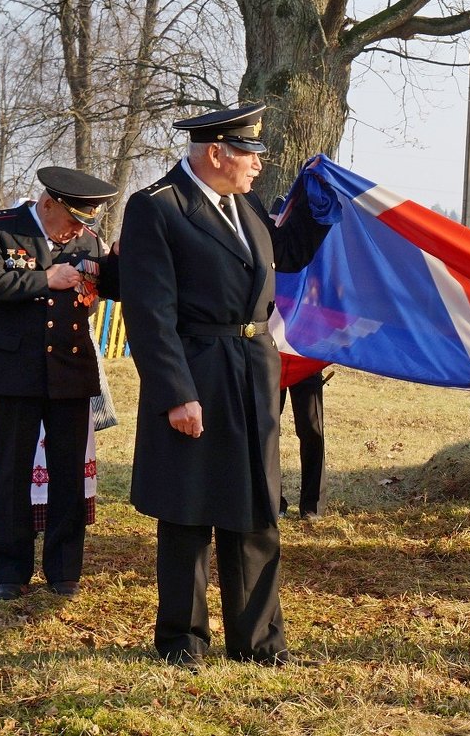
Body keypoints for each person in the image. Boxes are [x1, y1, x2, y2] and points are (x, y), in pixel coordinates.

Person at [119, 103, 331, 666]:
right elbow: (150, 312)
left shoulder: (244, 203)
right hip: (197, 369)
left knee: (256, 506)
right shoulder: (156, 209)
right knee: (188, 509)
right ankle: (182, 642)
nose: (258, 165)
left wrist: (317, 207)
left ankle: (257, 642)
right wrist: (175, 393)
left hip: (253, 370)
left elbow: (282, 254)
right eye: (251, 154)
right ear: (216, 153)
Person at [0, 167, 120, 601]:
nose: (76, 230)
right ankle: (11, 572)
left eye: (83, 222)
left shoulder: (87, 240)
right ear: (48, 204)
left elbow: (109, 287)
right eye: (72, 219)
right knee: (12, 470)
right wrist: (44, 279)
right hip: (14, 371)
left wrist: (125, 260)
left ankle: (65, 569)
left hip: (71, 370)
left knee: (68, 472)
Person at [279, 370, 326, 521]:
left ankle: (313, 506)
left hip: (306, 359)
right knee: (266, 432)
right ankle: (272, 503)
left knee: (312, 431)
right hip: (269, 354)